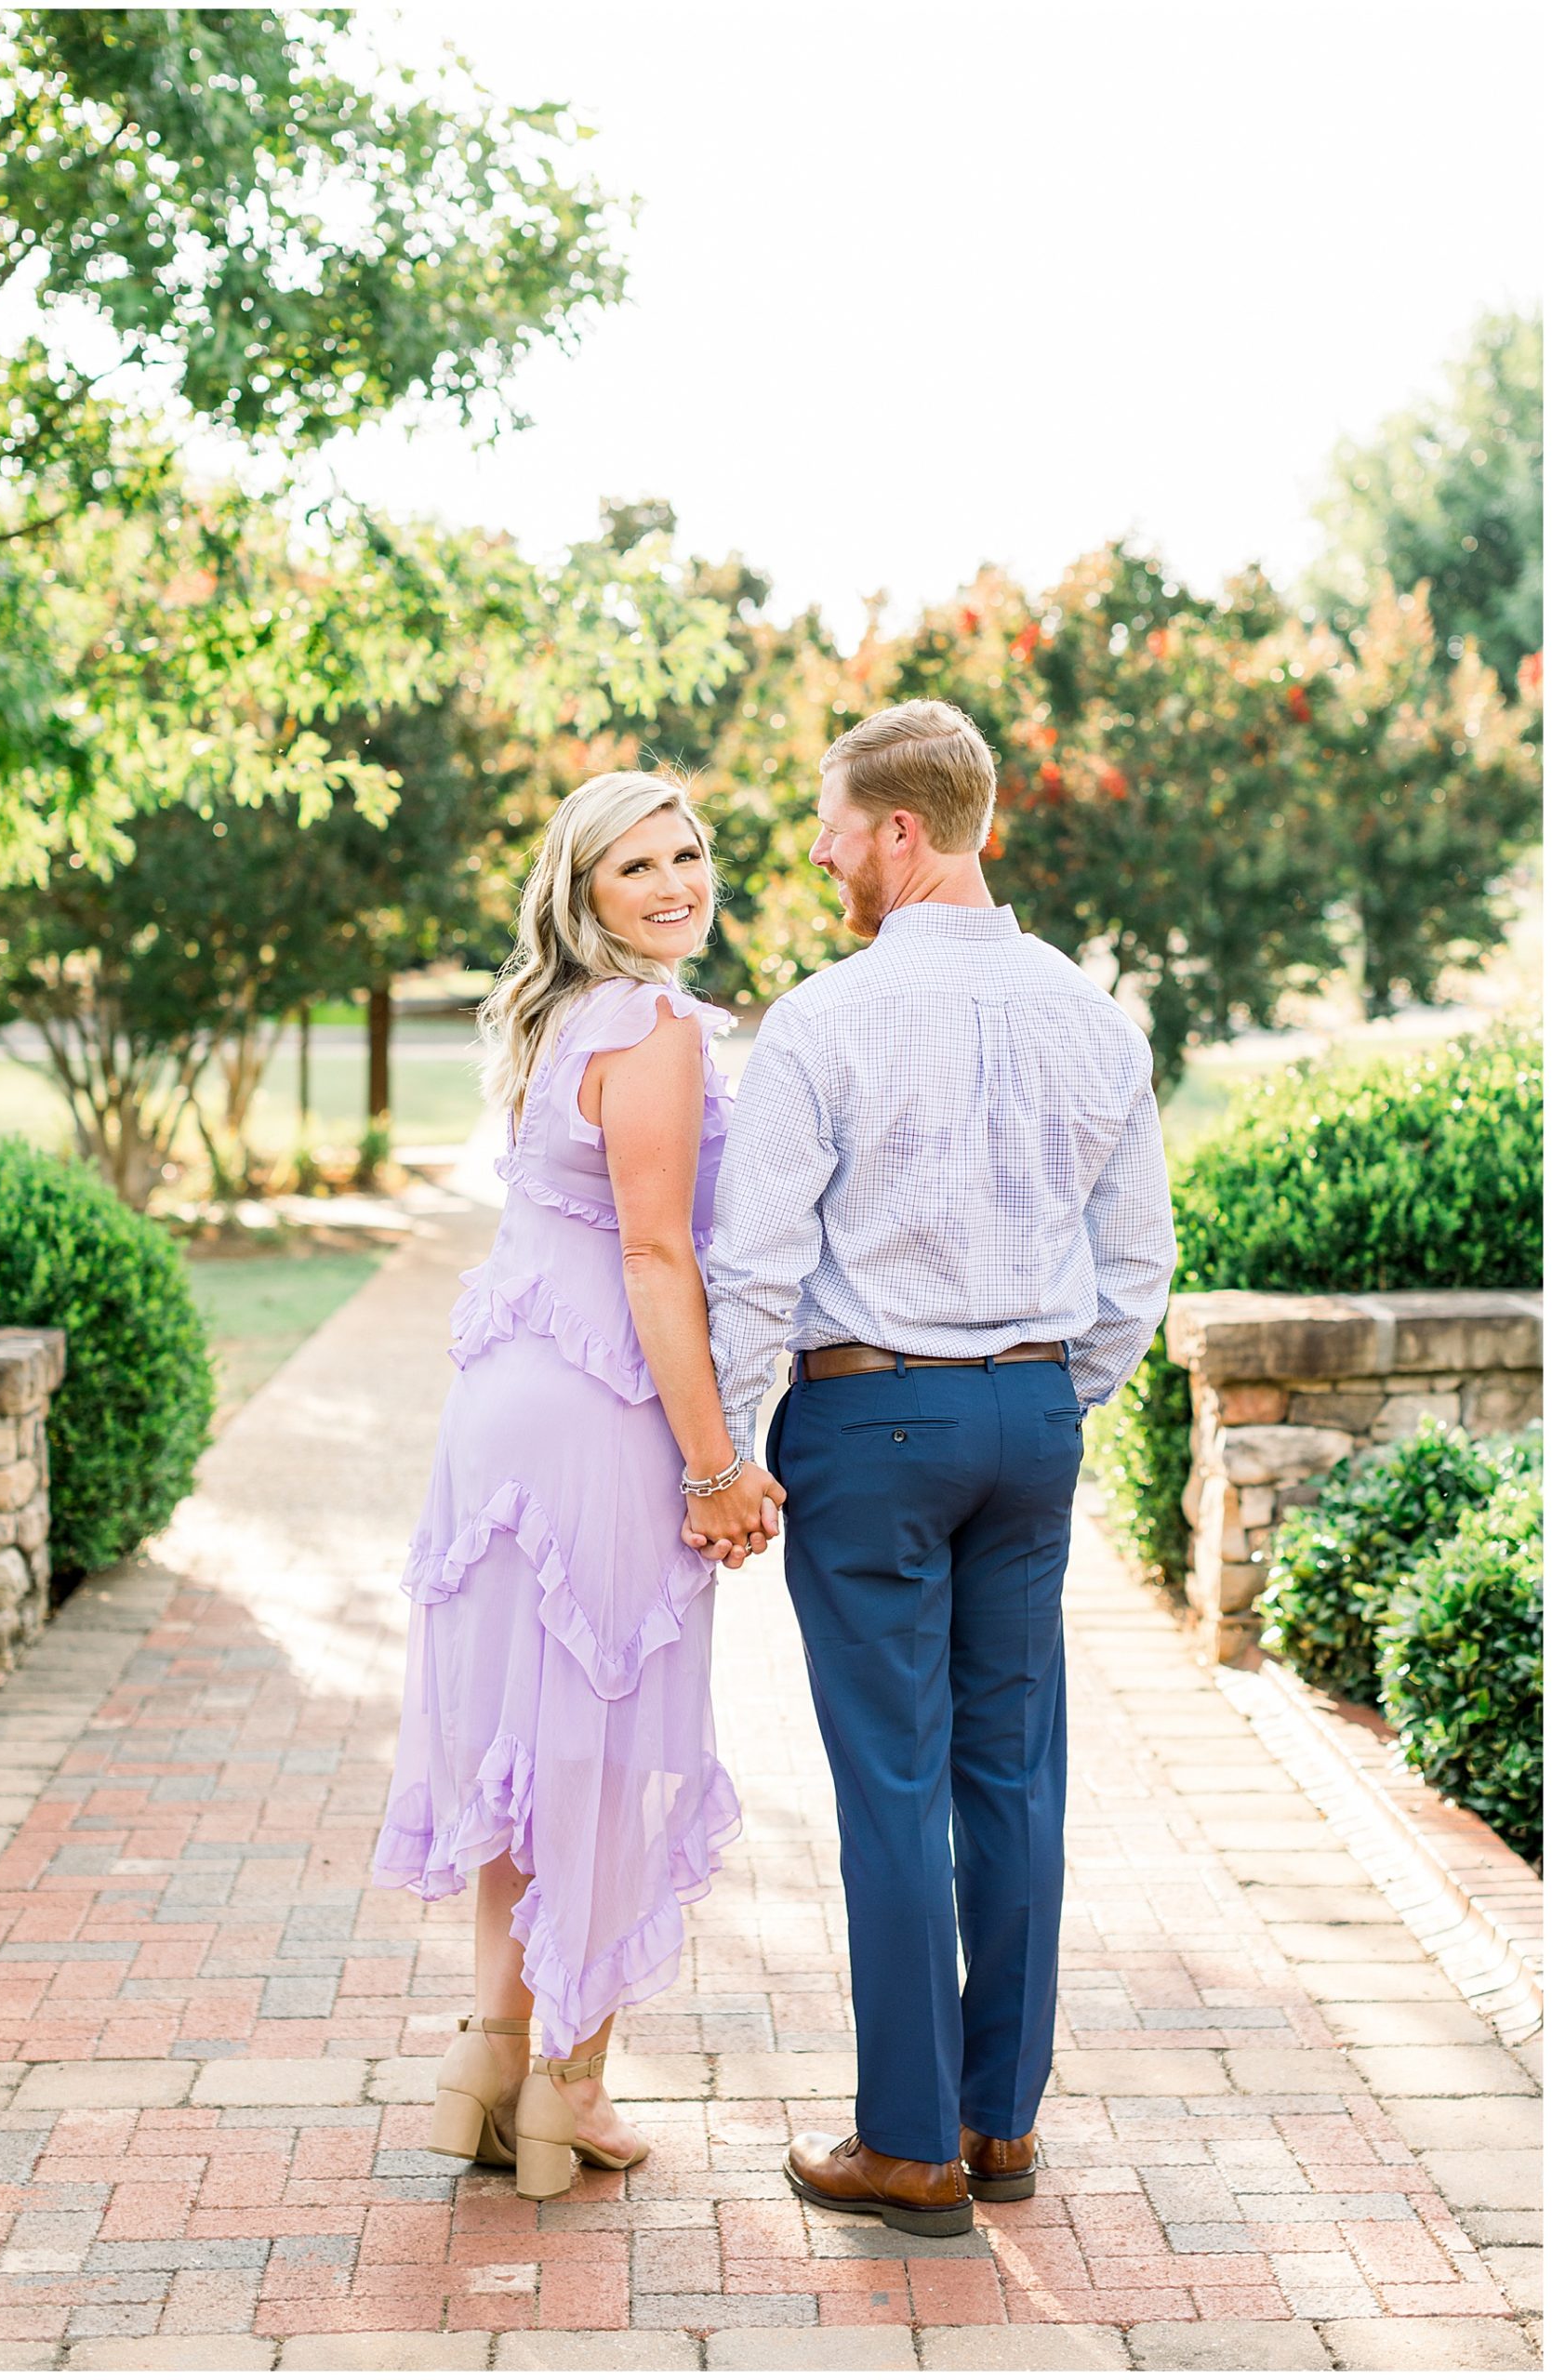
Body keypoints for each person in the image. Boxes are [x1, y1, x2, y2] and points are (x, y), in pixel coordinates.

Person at [699, 699, 1177, 2238]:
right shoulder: (1095, 1016)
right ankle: (1000, 2119)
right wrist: (1048, 1397)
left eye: (836, 824)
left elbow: (755, 1269)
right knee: (1011, 1772)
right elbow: (1137, 1264)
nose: (824, 851)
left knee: (893, 1783)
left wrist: (719, 1448)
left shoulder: (823, 1023)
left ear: (900, 831)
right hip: (1031, 1425)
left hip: (869, 1425)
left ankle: (908, 2146)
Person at [372, 772, 782, 2203]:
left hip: (497, 1409)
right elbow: (656, 1261)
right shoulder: (657, 1027)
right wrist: (717, 1465)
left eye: (687, 853)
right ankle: (572, 2097)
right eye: (635, 868)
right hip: (599, 1415)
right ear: (583, 893)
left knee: (524, 1743)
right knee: (602, 1750)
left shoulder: (560, 1019)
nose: (675, 883)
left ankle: (485, 2064)